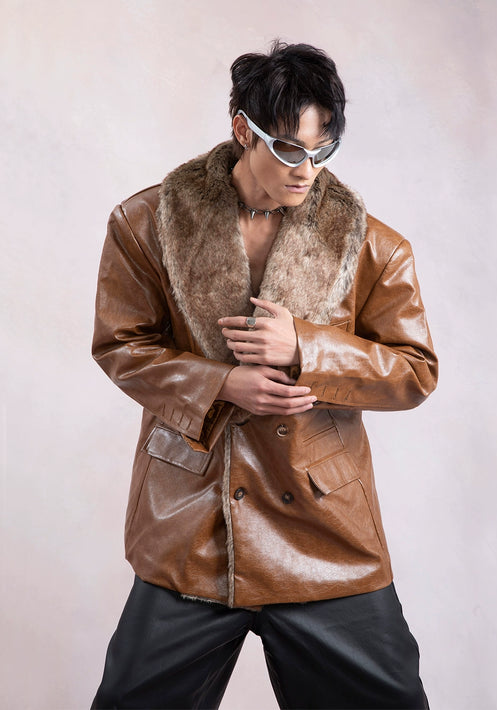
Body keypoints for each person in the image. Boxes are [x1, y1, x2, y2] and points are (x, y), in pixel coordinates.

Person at [91, 41, 438, 710]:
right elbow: (120, 344)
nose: (307, 169)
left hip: (325, 528)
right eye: (288, 149)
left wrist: (306, 346)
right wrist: (220, 383)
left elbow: (414, 371)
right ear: (242, 129)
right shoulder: (146, 224)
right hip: (188, 523)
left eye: (323, 149)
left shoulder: (372, 244)